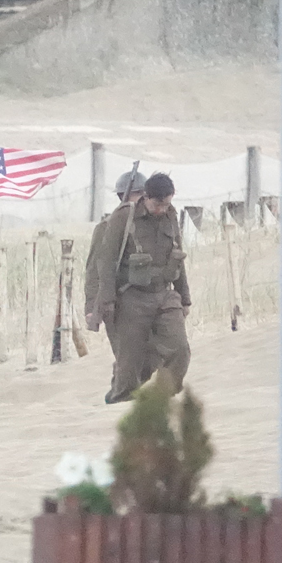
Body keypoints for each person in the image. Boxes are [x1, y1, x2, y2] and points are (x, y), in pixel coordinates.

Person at [88, 171, 191, 401]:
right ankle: (120, 399)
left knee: (180, 349)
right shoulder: (123, 218)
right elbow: (105, 261)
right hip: (132, 298)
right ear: (146, 197)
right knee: (129, 362)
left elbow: (178, 256)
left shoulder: (170, 216)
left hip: (165, 295)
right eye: (158, 204)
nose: (162, 209)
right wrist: (106, 301)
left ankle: (162, 397)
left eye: (167, 203)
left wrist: (184, 297)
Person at [85, 167, 152, 403]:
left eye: (145, 194)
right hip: (116, 303)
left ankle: (121, 391)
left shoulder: (150, 225)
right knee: (126, 358)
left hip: (144, 301)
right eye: (138, 194)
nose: (143, 199)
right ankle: (118, 397)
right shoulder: (107, 227)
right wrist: (92, 307)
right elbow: (94, 270)